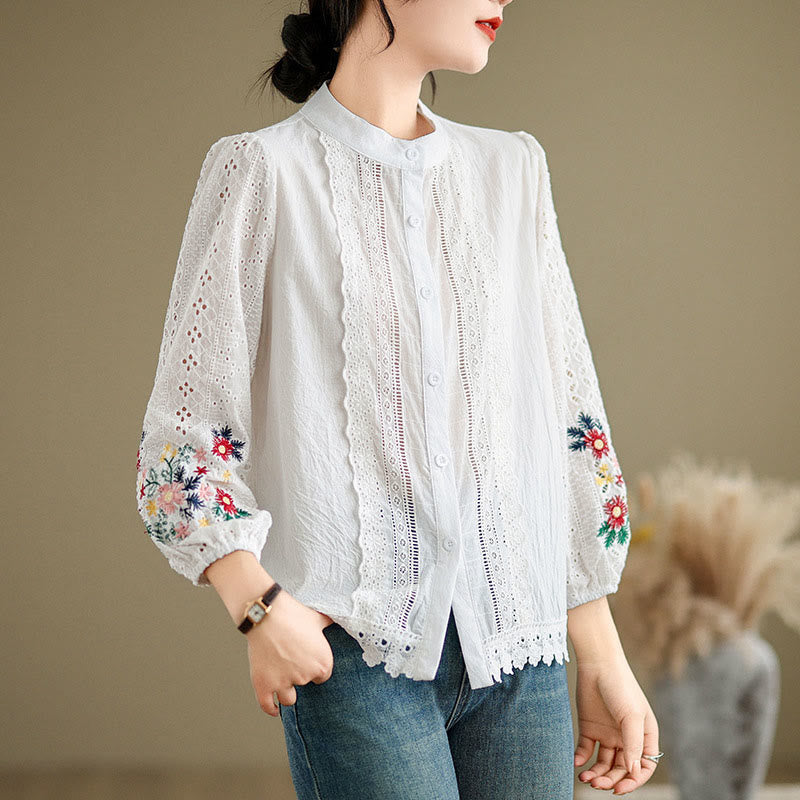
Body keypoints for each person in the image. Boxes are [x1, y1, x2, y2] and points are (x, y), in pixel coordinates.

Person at [135, 0, 663, 797]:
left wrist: (600, 654)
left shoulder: (512, 171)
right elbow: (184, 430)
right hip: (354, 655)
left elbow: (562, 418)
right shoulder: (262, 171)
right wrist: (257, 607)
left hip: (520, 653)